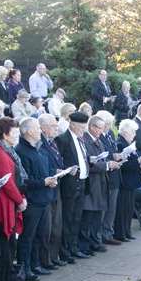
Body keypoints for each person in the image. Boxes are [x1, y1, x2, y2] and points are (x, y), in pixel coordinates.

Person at [15, 117, 59, 281]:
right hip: (33, 200)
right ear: (27, 131)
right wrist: (43, 182)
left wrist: (52, 178)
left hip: (44, 197)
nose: (40, 131)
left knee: (40, 235)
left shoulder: (40, 148)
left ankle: (35, 264)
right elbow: (24, 180)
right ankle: (24, 268)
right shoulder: (21, 150)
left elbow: (47, 169)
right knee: (28, 237)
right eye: (36, 128)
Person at [0, 117, 27, 281]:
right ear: (5, 134)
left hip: (10, 203)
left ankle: (6, 275)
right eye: (14, 132)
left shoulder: (7, 150)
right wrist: (20, 200)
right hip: (3, 205)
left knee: (9, 243)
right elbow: (8, 182)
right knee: (4, 244)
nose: (18, 135)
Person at [55, 111, 90, 260]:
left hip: (81, 183)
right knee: (67, 219)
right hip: (69, 185)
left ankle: (74, 247)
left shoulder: (81, 139)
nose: (84, 130)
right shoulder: (63, 139)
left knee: (77, 218)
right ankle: (65, 251)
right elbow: (58, 161)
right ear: (73, 124)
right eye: (81, 127)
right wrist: (67, 169)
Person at [37, 113, 67, 268]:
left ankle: (53, 256)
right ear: (43, 128)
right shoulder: (40, 144)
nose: (56, 129)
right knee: (48, 228)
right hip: (47, 187)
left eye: (56, 126)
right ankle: (46, 259)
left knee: (57, 225)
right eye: (53, 126)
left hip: (56, 186)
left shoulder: (52, 142)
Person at [80, 114, 110, 252]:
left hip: (100, 182)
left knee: (97, 214)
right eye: (98, 128)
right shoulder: (85, 141)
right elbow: (88, 163)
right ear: (91, 126)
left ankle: (94, 241)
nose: (100, 131)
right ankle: (85, 245)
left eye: (102, 128)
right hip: (91, 183)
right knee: (88, 216)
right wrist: (107, 166)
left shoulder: (99, 141)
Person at [97, 112, 122, 246]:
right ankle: (100, 236)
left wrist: (117, 155)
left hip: (115, 173)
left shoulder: (111, 133)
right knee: (104, 208)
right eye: (106, 124)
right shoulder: (98, 136)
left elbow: (112, 149)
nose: (108, 126)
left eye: (109, 124)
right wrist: (111, 158)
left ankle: (108, 232)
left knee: (112, 207)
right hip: (106, 175)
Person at [115, 119, 141, 241]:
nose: (134, 135)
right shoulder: (121, 144)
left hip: (131, 181)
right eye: (132, 132)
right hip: (125, 181)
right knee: (123, 209)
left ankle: (127, 231)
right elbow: (124, 164)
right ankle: (121, 233)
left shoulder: (128, 144)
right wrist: (138, 162)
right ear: (125, 131)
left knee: (129, 208)